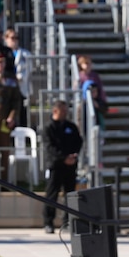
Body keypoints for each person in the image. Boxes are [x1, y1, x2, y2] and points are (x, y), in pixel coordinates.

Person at [42, 100, 82, 233]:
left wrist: (73, 157)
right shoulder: (49, 128)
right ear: (55, 111)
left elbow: (78, 142)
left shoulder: (71, 127)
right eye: (63, 111)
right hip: (56, 166)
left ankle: (67, 222)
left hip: (70, 166)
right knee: (52, 195)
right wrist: (63, 158)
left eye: (66, 111)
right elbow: (50, 147)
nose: (65, 113)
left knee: (70, 195)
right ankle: (48, 222)